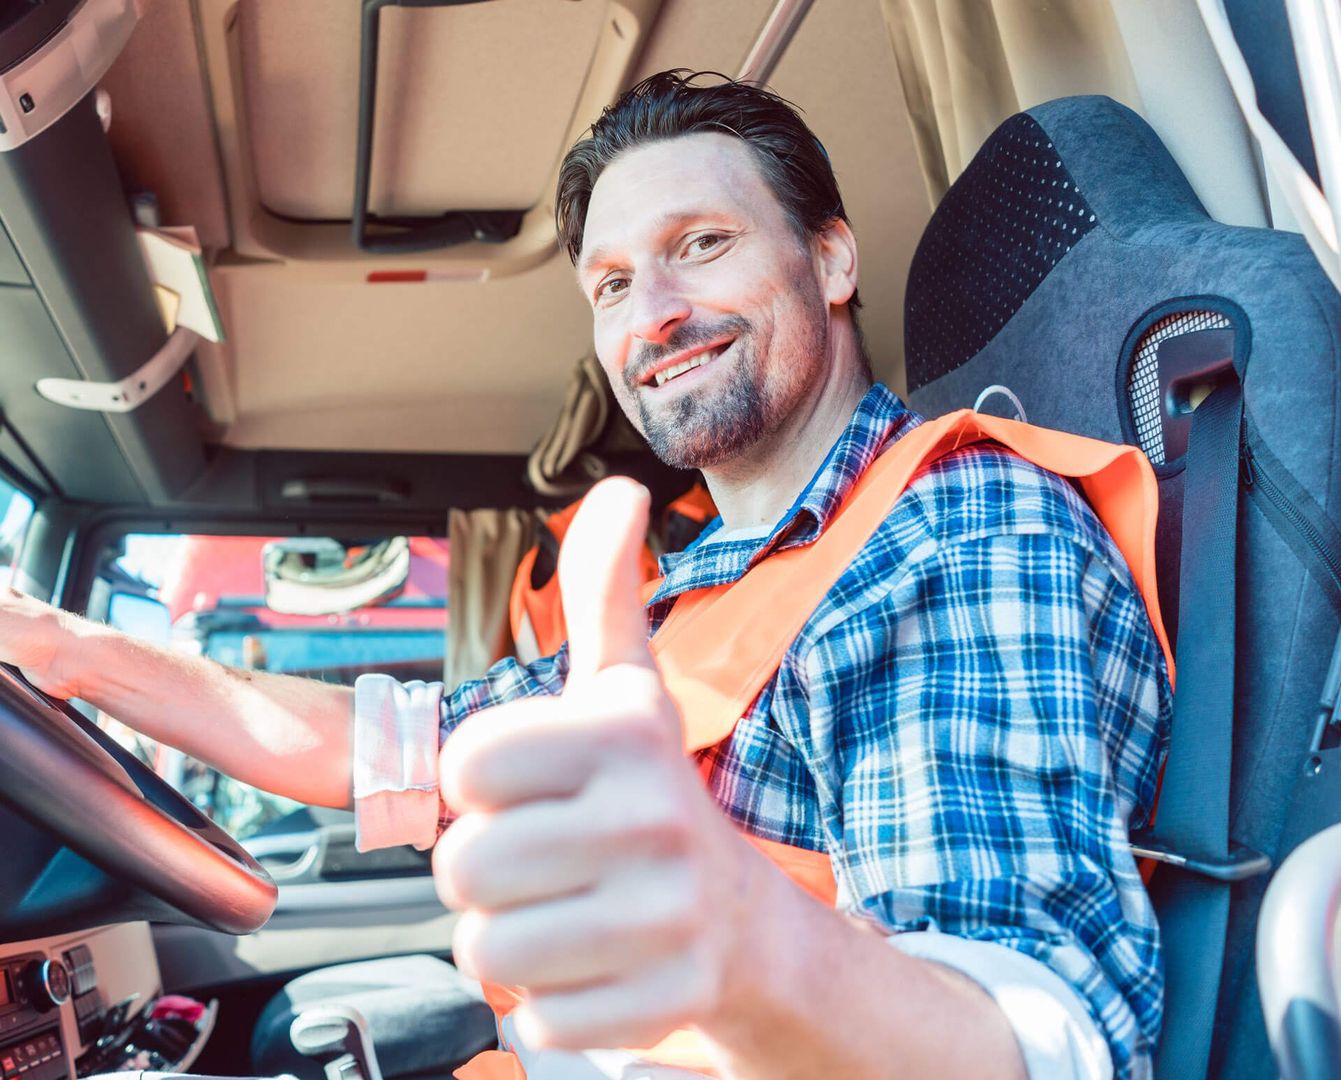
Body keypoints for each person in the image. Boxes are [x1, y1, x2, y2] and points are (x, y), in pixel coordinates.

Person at [0, 72, 1171, 1080]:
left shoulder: (954, 529)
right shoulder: (699, 582)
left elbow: (1031, 1038)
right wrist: (70, 653)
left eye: (699, 246)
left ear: (832, 257)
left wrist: (743, 939)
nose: (652, 315)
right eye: (610, 284)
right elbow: (379, 746)